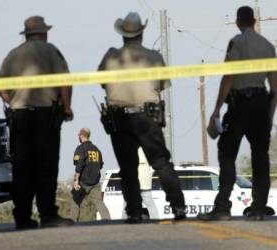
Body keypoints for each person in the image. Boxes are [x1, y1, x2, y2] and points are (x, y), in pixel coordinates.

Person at [98, 12, 186, 223]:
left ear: (122, 34)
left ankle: (135, 211)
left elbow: (102, 82)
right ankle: (178, 207)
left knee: (128, 168)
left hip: (119, 117)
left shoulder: (111, 57)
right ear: (141, 33)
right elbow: (163, 85)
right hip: (148, 117)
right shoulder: (153, 57)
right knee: (161, 163)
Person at [197, 6, 277, 221]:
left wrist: (216, 109)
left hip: (240, 103)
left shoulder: (237, 42)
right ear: (253, 20)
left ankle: (223, 206)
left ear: (239, 22)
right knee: (260, 156)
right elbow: (274, 87)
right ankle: (259, 207)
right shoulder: (269, 46)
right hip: (261, 104)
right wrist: (269, 116)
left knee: (227, 152)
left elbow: (229, 77)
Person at [0, 16, 74, 229]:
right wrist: (67, 107)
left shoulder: (13, 55)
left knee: (22, 168)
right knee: (46, 165)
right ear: (43, 33)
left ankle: (22, 217)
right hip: (45, 116)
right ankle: (48, 215)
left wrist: (12, 101)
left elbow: (0, 86)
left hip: (19, 117)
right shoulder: (51, 51)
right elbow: (65, 81)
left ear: (27, 35)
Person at [71, 128, 110, 221]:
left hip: (83, 182)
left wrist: (76, 180)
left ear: (81, 136)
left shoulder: (81, 148)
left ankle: (72, 223)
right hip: (95, 182)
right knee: (100, 203)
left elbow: (78, 164)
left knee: (75, 201)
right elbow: (101, 165)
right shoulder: (97, 149)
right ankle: (108, 221)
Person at [138, 147, 159, 219]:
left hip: (141, 178)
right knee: (149, 201)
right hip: (144, 179)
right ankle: (155, 218)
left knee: (128, 201)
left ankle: (124, 220)